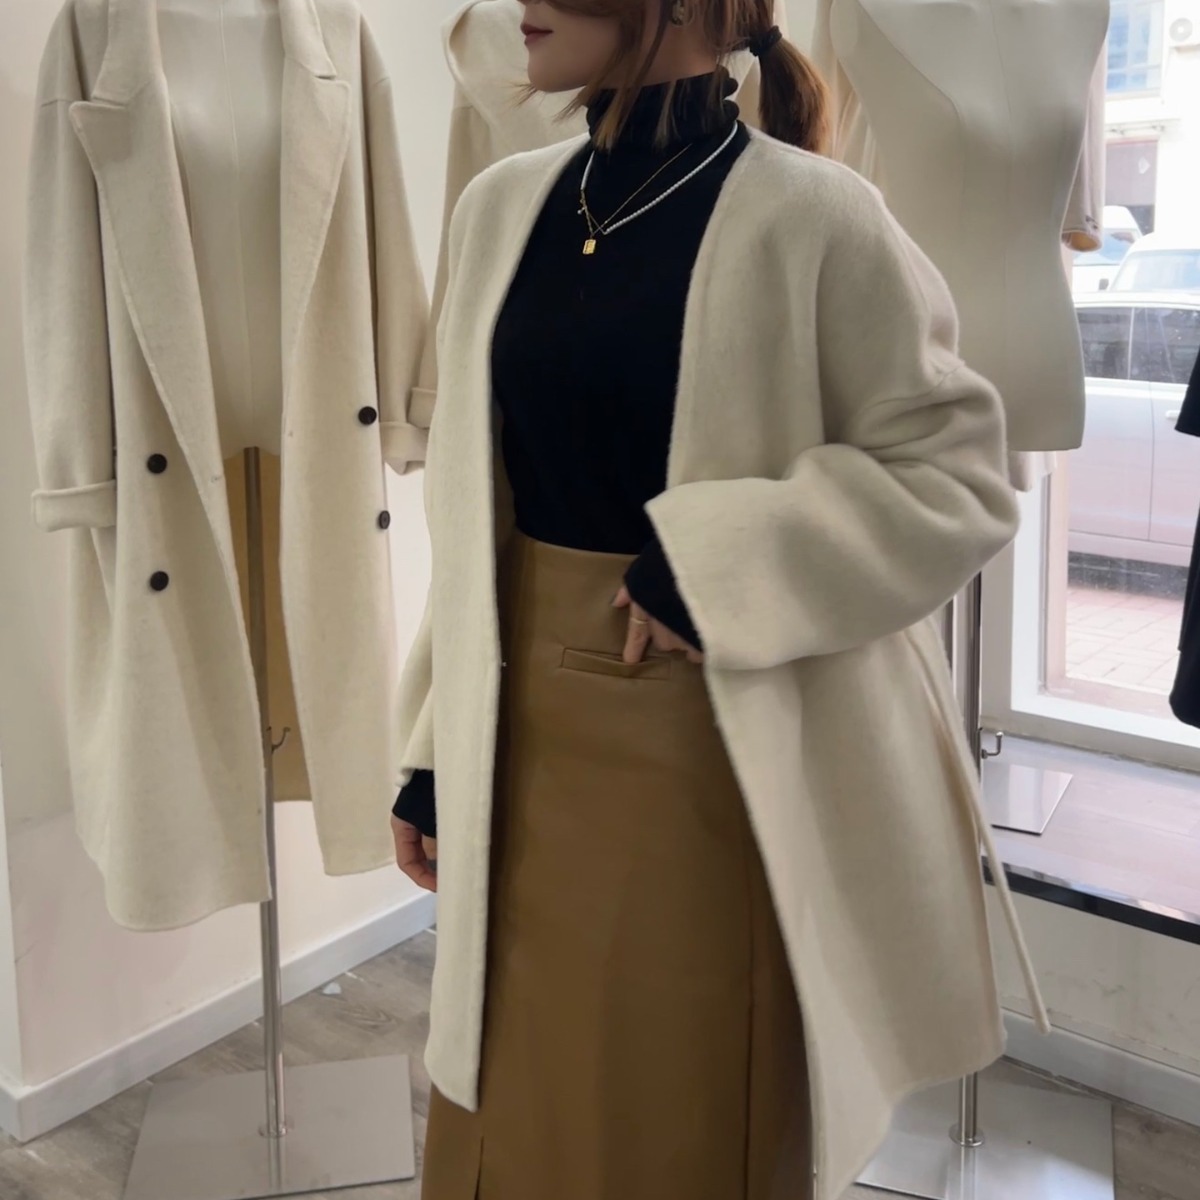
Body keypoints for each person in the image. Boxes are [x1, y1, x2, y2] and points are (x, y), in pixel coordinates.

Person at [391, 3, 1046, 1198]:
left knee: (664, 1096)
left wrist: (721, 560)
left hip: (696, 724)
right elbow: (474, 520)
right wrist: (435, 748)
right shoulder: (502, 205)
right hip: (507, 715)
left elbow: (956, 472)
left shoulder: (814, 213)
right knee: (507, 1077)